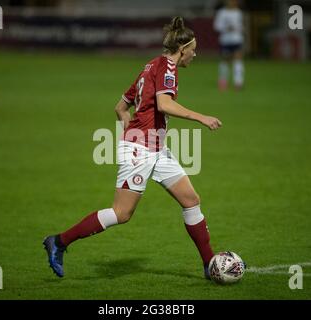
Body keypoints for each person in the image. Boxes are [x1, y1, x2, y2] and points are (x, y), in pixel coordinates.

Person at [43, 16, 222, 280]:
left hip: (155, 148)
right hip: (141, 149)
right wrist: (201, 117)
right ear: (182, 49)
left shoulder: (151, 65)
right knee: (122, 213)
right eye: (193, 51)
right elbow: (164, 105)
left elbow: (120, 106)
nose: (195, 55)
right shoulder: (168, 68)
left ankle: (210, 266)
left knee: (191, 200)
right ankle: (58, 242)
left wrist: (130, 126)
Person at [213, 0, 245, 91]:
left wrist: (239, 28)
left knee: (238, 60)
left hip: (237, 39)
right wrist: (226, 28)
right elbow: (216, 26)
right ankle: (223, 81)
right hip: (225, 40)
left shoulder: (238, 12)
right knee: (225, 61)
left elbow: (241, 26)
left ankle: (238, 82)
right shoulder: (222, 12)